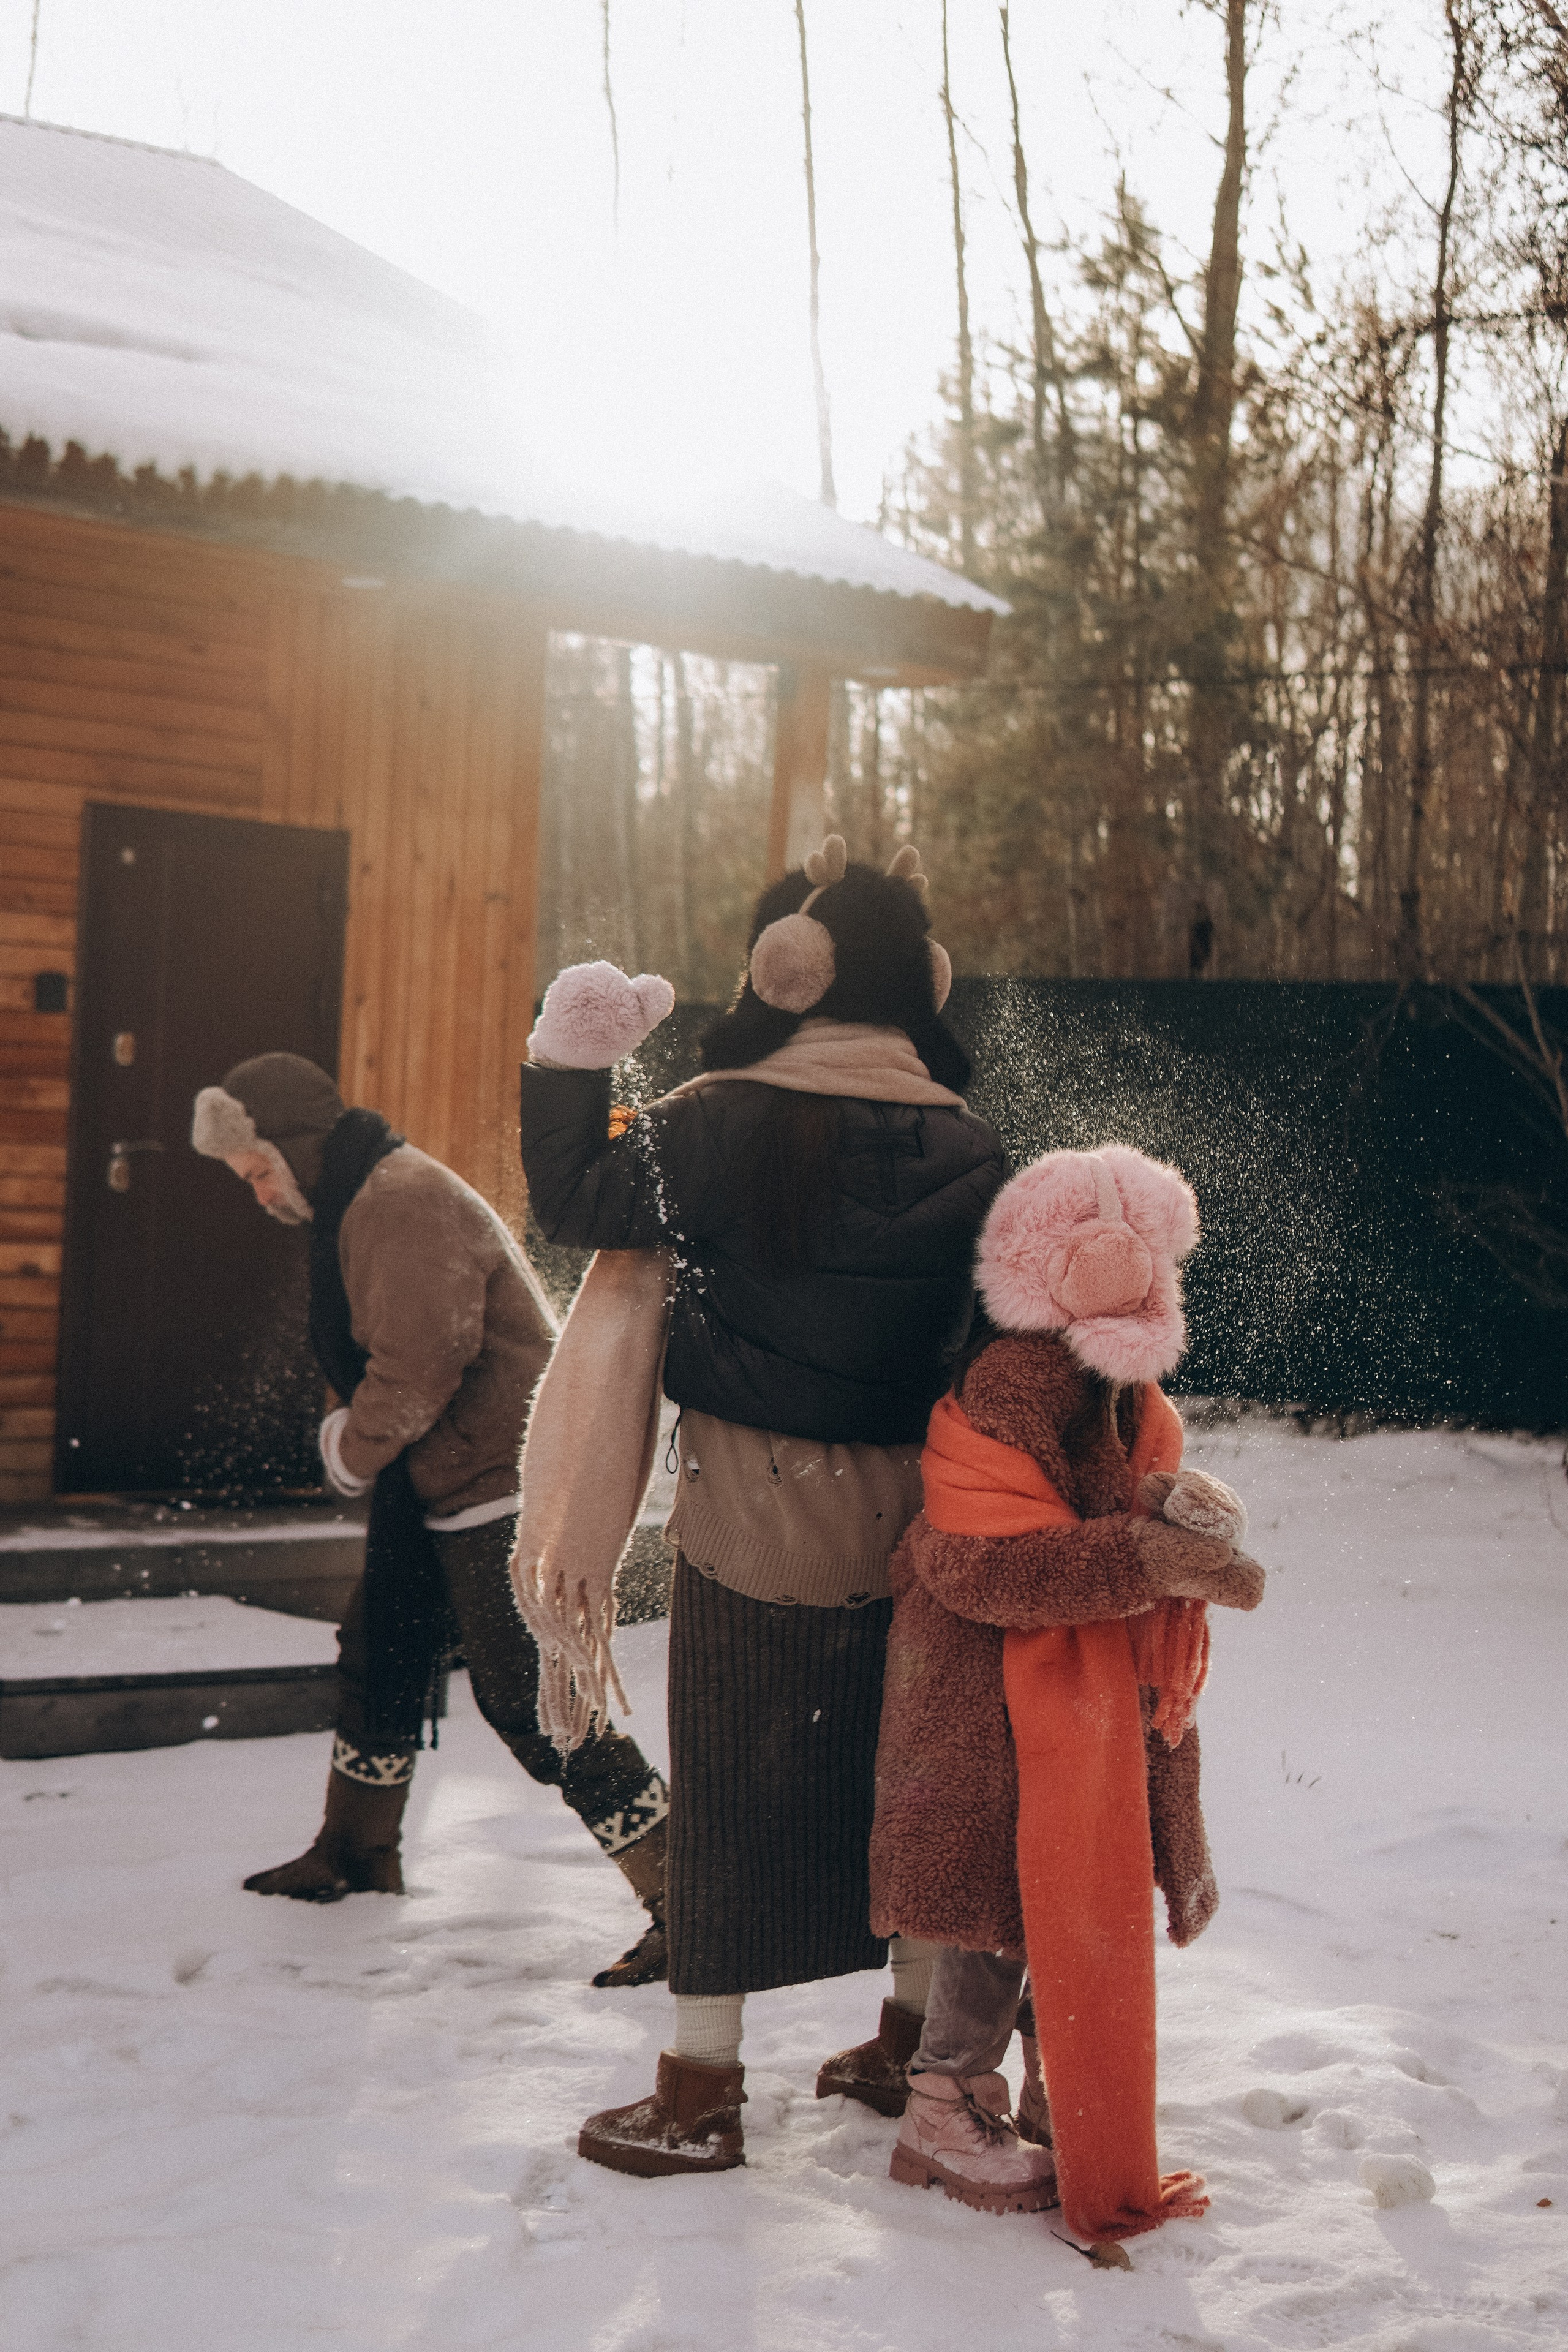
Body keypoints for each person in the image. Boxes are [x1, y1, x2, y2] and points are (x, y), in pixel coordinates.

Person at [514, 838, 1006, 2175]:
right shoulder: (971, 1142)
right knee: (896, 1783)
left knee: (732, 1784)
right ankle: (911, 2042)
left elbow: (575, 1201)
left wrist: (571, 1064)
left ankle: (700, 2090)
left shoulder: (718, 1119)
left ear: (785, 971)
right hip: (921, 1528)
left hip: (751, 1507)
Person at [190, 1052, 671, 1986]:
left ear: (291, 1147)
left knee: (535, 1701)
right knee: (378, 1649)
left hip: (501, 1483)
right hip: (446, 1485)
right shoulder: (363, 1195)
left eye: (256, 1172)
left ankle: (684, 1895)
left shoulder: (396, 1200)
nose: (257, 1194)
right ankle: (356, 1850)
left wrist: (346, 1448)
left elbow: (422, 1364)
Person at [869, 1144, 1267, 2241]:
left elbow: (1113, 1503)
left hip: (1063, 1692)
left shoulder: (1114, 1385)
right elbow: (979, 1561)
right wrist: (1149, 1557)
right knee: (1004, 1906)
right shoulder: (1016, 1380)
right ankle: (945, 2107)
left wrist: (1182, 1524)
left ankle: (1055, 2091)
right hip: (991, 1691)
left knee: (1059, 1895)